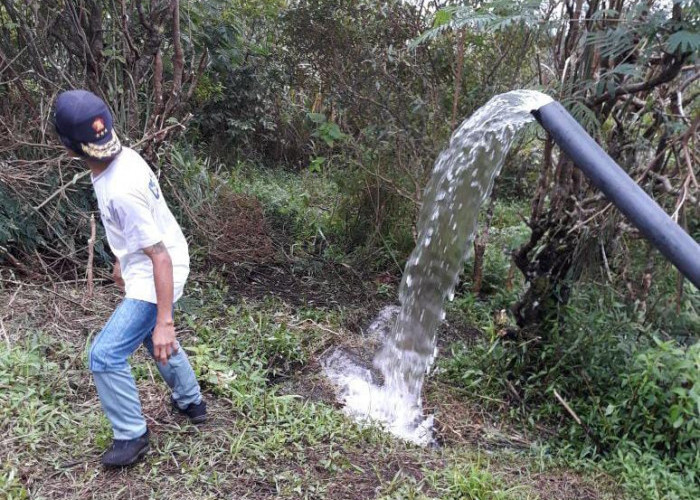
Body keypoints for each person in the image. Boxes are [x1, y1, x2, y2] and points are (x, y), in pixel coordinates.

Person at [53, 89, 206, 468]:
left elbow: (160, 257)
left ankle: (131, 435)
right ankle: (191, 401)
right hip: (154, 260)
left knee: (104, 356)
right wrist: (122, 259)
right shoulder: (120, 158)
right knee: (146, 335)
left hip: (160, 272)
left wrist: (166, 321)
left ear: (68, 147)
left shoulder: (120, 190)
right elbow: (138, 232)